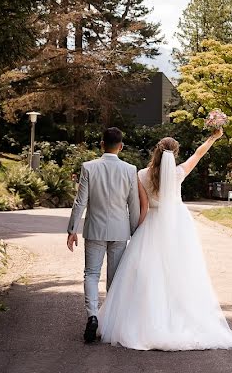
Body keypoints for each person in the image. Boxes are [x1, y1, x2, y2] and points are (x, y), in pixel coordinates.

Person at [98, 129, 232, 351]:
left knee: (147, 274)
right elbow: (198, 153)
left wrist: (136, 231)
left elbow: (143, 207)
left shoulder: (141, 175)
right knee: (181, 273)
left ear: (156, 151)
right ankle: (177, 317)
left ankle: (144, 320)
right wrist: (213, 137)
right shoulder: (179, 172)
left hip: (150, 224)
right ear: (174, 153)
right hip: (178, 227)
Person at [66, 127, 141, 343]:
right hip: (120, 230)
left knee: (91, 274)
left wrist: (72, 229)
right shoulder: (130, 169)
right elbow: (133, 204)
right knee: (115, 278)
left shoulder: (89, 167)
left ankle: (92, 316)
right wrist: (135, 231)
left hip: (95, 229)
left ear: (101, 144)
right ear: (121, 146)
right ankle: (109, 322)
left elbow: (80, 201)